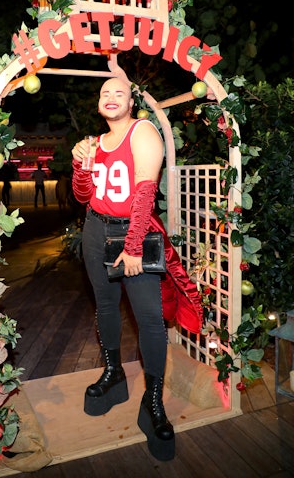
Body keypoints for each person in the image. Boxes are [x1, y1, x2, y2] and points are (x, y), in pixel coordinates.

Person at [71, 77, 203, 462]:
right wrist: (82, 163)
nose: (111, 98)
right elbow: (84, 195)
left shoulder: (143, 132)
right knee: (106, 306)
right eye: (104, 93)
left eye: (119, 93)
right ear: (98, 104)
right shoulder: (95, 143)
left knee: (148, 318)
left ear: (131, 102)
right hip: (96, 228)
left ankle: (154, 399)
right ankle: (113, 374)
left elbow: (145, 191)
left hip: (135, 232)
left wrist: (132, 248)